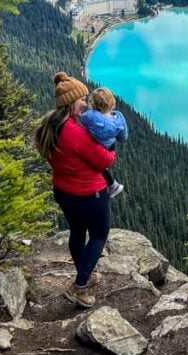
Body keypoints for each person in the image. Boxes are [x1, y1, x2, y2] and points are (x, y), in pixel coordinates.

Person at [34, 71, 114, 308]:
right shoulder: (74, 131)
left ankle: (84, 276)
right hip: (89, 194)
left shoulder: (51, 125)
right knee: (99, 235)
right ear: (70, 102)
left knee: (77, 233)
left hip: (64, 192)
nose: (86, 103)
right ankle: (79, 287)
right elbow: (103, 160)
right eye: (82, 99)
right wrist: (112, 151)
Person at [78, 87, 128, 198]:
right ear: (112, 101)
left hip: (96, 147)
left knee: (95, 166)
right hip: (111, 147)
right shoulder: (119, 118)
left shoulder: (91, 115)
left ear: (94, 104)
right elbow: (123, 138)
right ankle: (113, 185)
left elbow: (79, 118)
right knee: (101, 167)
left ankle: (113, 185)